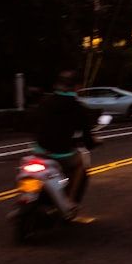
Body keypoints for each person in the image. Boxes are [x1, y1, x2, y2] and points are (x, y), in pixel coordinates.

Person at [34, 70, 97, 210]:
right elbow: (87, 138)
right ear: (77, 87)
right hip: (61, 153)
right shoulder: (77, 107)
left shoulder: (44, 102)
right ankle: (69, 201)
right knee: (81, 162)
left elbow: (32, 122)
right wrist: (93, 142)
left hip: (39, 150)